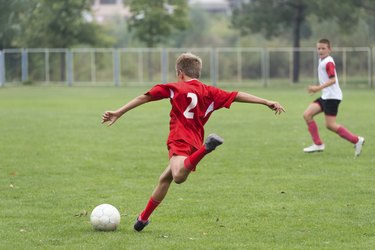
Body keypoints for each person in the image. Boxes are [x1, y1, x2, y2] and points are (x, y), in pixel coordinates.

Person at [102, 52, 286, 232]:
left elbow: (145, 97)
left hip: (179, 138)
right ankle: (142, 219)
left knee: (178, 177)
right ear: (198, 72)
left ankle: (207, 148)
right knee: (164, 179)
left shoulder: (175, 87)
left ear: (180, 73)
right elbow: (236, 95)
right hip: (193, 142)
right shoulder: (210, 91)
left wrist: (119, 112)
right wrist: (265, 101)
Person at [302, 38, 365, 156]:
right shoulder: (322, 60)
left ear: (329, 49)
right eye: (318, 48)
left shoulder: (328, 62)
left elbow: (333, 80)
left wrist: (317, 88)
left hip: (332, 97)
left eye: (323, 48)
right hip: (326, 96)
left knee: (330, 125)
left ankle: (357, 140)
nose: (320, 51)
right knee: (307, 115)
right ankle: (318, 144)